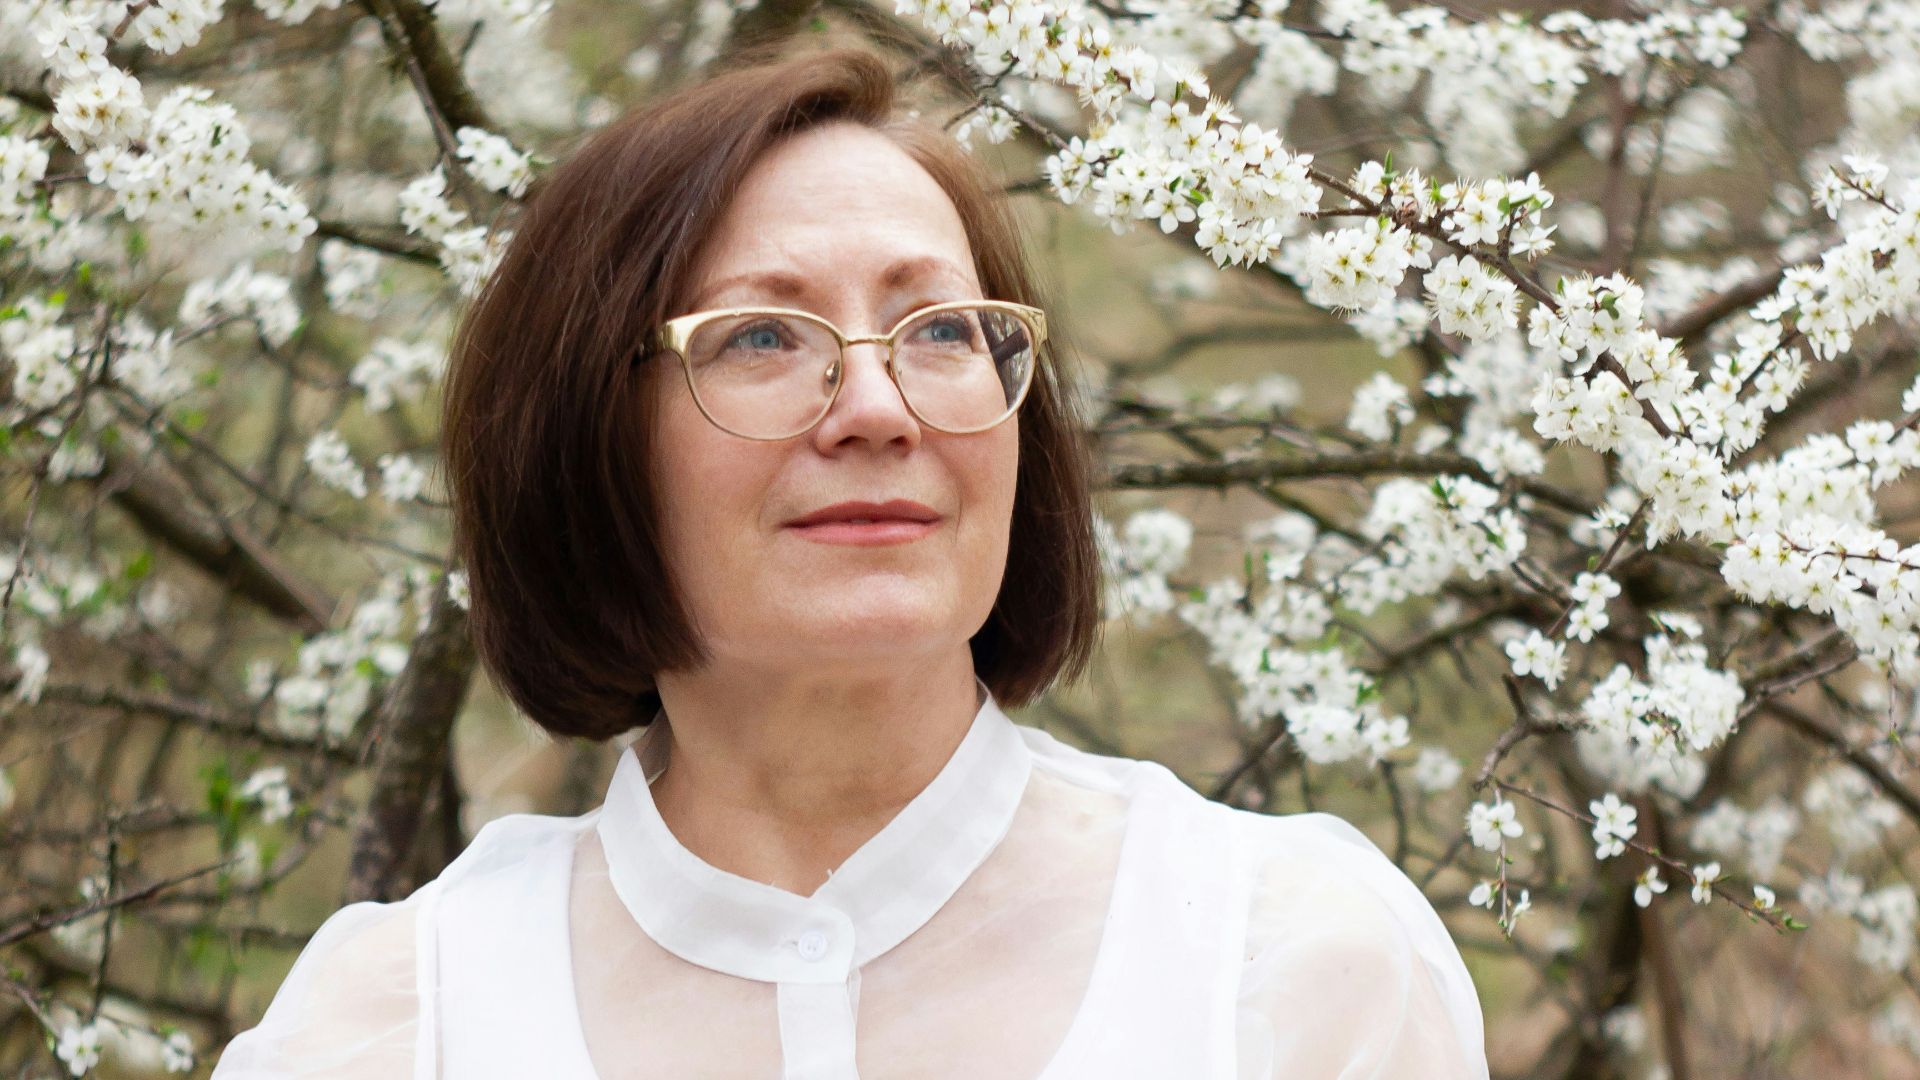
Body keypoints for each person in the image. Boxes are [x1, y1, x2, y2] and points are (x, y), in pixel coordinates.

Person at [212, 44, 1489, 1079]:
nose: (876, 405)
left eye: (940, 328)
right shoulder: (396, 1024)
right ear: (585, 436)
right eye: (763, 337)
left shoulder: (1292, 968)